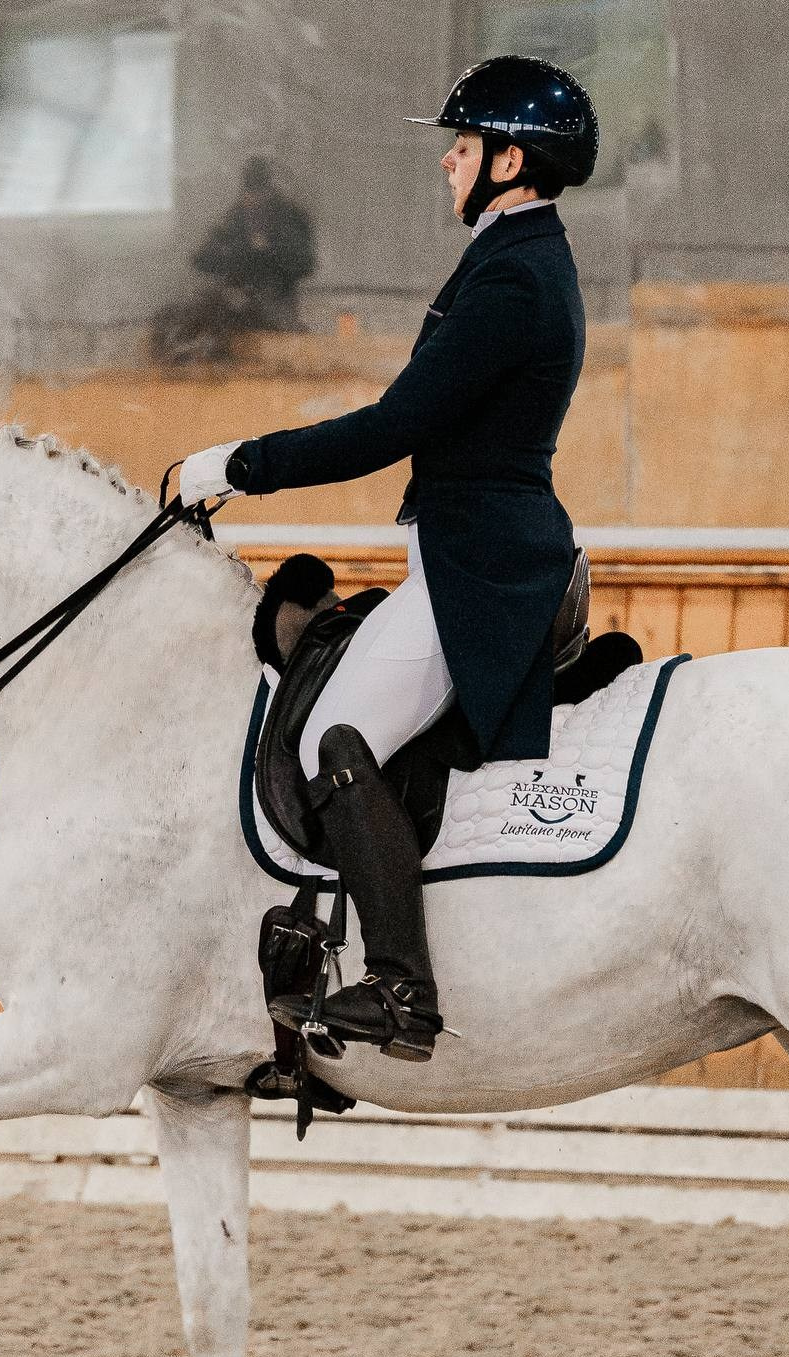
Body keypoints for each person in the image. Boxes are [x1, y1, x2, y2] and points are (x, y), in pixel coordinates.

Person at [179, 54, 598, 1063]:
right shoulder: (515, 258)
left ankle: (403, 987)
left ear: (510, 160)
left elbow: (395, 424)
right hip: (466, 555)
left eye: (463, 146)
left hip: (480, 571)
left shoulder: (515, 274)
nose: (447, 162)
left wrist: (240, 464)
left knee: (336, 738)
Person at [153, 157, 319, 365]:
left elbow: (304, 264)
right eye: (250, 193)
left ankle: (207, 356)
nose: (254, 201)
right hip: (234, 301)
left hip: (274, 304)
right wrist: (235, 255)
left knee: (223, 313)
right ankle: (186, 358)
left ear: (269, 191)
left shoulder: (291, 219)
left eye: (260, 194)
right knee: (188, 313)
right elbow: (203, 259)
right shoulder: (234, 218)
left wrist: (267, 252)